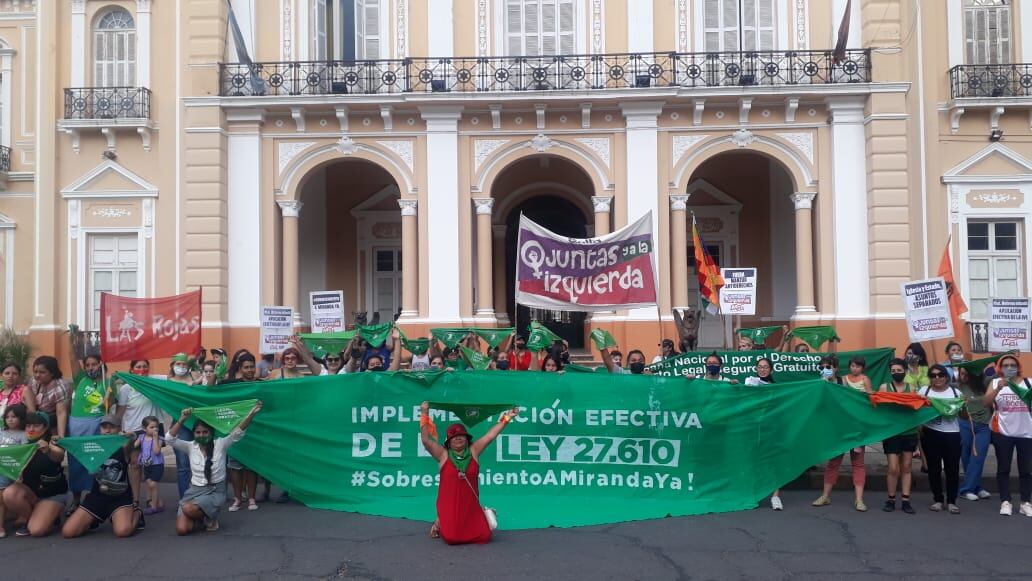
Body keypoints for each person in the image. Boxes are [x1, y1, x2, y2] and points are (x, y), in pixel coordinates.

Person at [419, 401, 519, 544]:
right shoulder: (443, 455)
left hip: (470, 505)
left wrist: (508, 417)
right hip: (449, 505)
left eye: (461, 435)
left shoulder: (474, 451)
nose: (458, 438)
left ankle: (482, 515)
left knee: (484, 536)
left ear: (467, 439)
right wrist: (424, 413)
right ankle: (439, 521)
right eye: (454, 437)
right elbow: (426, 440)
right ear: (449, 442)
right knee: (452, 538)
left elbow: (490, 435)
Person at [167, 401, 263, 535]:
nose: (201, 435)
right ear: (194, 434)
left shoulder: (220, 444)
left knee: (188, 509)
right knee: (182, 530)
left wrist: (251, 414)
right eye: (198, 432)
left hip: (214, 491)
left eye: (205, 432)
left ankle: (209, 515)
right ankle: (203, 517)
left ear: (211, 433)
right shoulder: (190, 446)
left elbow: (237, 433)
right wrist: (182, 419)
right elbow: (169, 439)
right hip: (194, 491)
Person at [61, 414, 143, 538]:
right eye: (104, 427)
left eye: (112, 427)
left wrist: (131, 437)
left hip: (119, 497)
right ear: (100, 429)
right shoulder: (94, 446)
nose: (108, 431)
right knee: (68, 532)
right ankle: (93, 519)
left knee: (123, 531)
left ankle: (136, 512)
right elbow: (75, 445)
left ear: (119, 428)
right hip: (96, 496)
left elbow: (130, 444)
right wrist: (60, 441)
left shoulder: (123, 446)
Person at [814, 354, 871, 511]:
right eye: (822, 367)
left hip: (856, 429)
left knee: (858, 463)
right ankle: (825, 496)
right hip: (837, 430)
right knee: (833, 463)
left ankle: (859, 500)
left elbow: (865, 400)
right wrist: (823, 385)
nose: (825, 370)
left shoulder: (843, 382)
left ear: (835, 368)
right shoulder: (821, 383)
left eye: (828, 367)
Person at [66, 333, 113, 515]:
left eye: (95, 364)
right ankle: (76, 500)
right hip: (77, 425)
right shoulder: (80, 380)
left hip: (97, 425)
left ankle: (94, 499)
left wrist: (110, 396)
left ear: (101, 365)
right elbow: (71, 357)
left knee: (95, 463)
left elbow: (111, 406)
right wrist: (72, 338)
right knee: (76, 462)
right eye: (88, 365)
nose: (91, 367)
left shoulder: (109, 383)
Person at [1, 411, 68, 537]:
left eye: (36, 426)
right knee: (9, 493)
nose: (31, 429)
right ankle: (31, 517)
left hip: (52, 494)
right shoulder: (22, 444)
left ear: (45, 427)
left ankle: (52, 516)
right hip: (31, 493)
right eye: (28, 426)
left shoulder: (53, 442)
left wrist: (48, 450)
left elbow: (58, 456)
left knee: (37, 530)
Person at [982, 353, 1032, 517]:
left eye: (1012, 365)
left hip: (1026, 432)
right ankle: (1006, 501)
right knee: (1003, 468)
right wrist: (998, 389)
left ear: (1018, 367)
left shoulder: (1028, 383)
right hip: (1002, 431)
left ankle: (1025, 502)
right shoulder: (996, 382)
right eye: (1005, 365)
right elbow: (985, 403)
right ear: (1000, 368)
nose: (1009, 368)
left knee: (1026, 470)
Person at [115, 359, 162, 507]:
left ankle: (151, 499)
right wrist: (118, 431)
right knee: (135, 464)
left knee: (151, 463)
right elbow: (120, 412)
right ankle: (135, 499)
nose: (142, 369)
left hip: (152, 429)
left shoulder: (154, 381)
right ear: (132, 369)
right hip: (133, 431)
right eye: (138, 366)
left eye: (145, 366)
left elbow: (174, 380)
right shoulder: (126, 389)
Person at [919, 364, 962, 514]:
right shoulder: (924, 391)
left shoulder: (956, 393)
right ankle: (937, 499)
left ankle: (951, 501)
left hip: (952, 434)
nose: (937, 378)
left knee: (952, 468)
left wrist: (963, 406)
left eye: (940, 375)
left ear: (946, 377)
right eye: (933, 375)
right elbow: (917, 411)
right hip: (931, 433)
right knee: (933, 468)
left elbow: (963, 415)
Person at [879, 358, 918, 514]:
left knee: (907, 467)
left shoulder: (912, 388)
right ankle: (891, 499)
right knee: (893, 468)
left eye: (899, 370)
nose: (896, 373)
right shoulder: (884, 387)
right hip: (892, 432)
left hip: (909, 431)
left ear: (905, 371)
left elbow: (917, 408)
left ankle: (906, 500)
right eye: (893, 371)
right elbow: (879, 406)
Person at [744, 359, 783, 509]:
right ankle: (754, 495)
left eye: (766, 367)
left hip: (771, 428)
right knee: (753, 461)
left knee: (773, 462)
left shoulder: (776, 387)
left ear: (771, 370)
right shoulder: (750, 383)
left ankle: (776, 496)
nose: (762, 370)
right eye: (760, 367)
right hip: (754, 428)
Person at [957, 365, 992, 502]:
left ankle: (966, 489)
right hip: (965, 423)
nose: (963, 377)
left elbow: (996, 378)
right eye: (961, 374)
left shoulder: (985, 385)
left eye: (966, 374)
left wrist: (997, 361)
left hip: (984, 425)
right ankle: (976, 487)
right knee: (966, 456)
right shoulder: (957, 387)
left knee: (978, 456)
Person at [0, 403, 28, 537]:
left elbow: (24, 454)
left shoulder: (23, 435)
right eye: (8, 417)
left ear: (21, 419)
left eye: (14, 417)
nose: (10, 419)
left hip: (12, 470)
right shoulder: (1, 432)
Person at [30, 356, 70, 438]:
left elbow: (61, 413)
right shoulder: (34, 381)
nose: (37, 375)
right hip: (37, 416)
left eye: (42, 372)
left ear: (52, 373)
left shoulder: (60, 386)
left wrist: (60, 437)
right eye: (35, 372)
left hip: (52, 419)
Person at [135, 415, 165, 515]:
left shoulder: (159, 439)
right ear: (144, 428)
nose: (155, 429)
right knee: (149, 484)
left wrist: (155, 439)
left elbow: (156, 451)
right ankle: (159, 504)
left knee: (153, 484)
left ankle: (154, 507)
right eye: (151, 427)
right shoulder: (141, 437)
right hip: (146, 465)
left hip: (157, 465)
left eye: (156, 427)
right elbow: (134, 445)